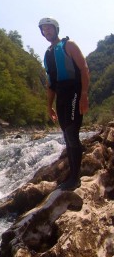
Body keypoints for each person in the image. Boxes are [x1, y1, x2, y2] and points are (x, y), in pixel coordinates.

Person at [39, 17, 90, 190]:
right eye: (44, 30)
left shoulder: (69, 45)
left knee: (72, 132)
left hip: (74, 92)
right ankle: (73, 174)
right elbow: (50, 84)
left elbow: (84, 68)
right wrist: (49, 106)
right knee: (67, 137)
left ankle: (75, 178)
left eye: (49, 29)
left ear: (56, 29)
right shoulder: (47, 54)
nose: (47, 32)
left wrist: (83, 95)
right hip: (60, 97)